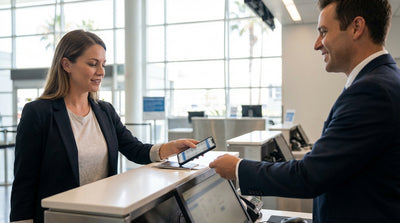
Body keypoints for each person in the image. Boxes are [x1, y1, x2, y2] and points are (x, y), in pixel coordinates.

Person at [210, 0, 400, 222]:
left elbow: (310, 176)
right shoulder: (383, 79)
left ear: (356, 28)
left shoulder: (371, 90)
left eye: (324, 32)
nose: (317, 44)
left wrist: (238, 169)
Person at [10, 30, 199, 223]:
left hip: (102, 217)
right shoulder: (39, 112)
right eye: (93, 64)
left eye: (103, 64)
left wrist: (169, 148)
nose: (101, 72)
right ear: (66, 64)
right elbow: (25, 182)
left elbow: (134, 149)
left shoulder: (104, 111)